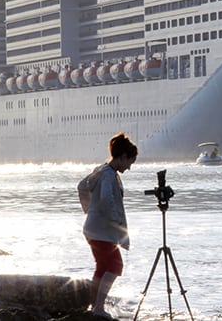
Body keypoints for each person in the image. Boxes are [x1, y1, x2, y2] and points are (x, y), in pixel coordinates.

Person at [78, 132, 138, 319]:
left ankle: (94, 305)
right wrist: (116, 221)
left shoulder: (102, 171)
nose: (129, 168)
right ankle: (98, 308)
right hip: (100, 231)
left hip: (94, 228)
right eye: (130, 162)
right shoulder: (108, 175)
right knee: (115, 265)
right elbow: (106, 199)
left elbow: (81, 186)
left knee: (103, 266)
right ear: (122, 157)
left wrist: (89, 210)